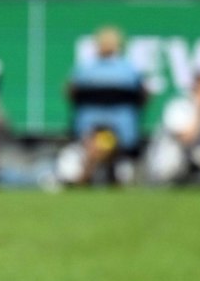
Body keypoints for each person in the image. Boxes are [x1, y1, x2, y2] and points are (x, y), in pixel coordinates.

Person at [59, 26, 148, 186]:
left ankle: (88, 173)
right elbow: (143, 95)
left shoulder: (83, 69)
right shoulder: (129, 69)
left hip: (91, 126)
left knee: (97, 144)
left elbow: (70, 92)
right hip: (120, 128)